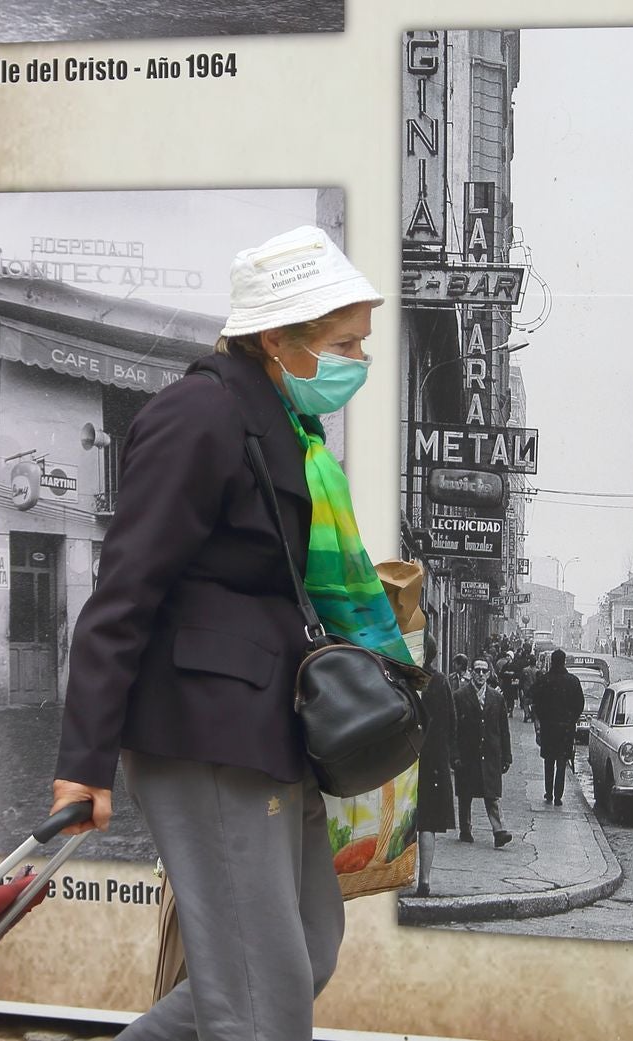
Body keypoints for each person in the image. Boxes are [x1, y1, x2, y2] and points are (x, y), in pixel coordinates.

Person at [49, 225, 394, 1041]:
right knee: (259, 1006)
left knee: (302, 954)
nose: (358, 363)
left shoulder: (281, 424)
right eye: (344, 343)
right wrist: (82, 767)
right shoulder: (200, 414)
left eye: (363, 344)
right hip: (207, 736)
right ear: (276, 337)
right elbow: (123, 590)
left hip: (268, 734)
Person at [452, 657, 513, 846]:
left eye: (483, 671)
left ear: (488, 674)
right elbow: (453, 728)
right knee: (466, 795)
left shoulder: (496, 697)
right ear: (471, 672)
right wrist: (454, 755)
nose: (480, 674)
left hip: (490, 753)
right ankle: (465, 829)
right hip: (467, 753)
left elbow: (503, 728)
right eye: (477, 670)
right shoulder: (460, 696)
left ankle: (499, 831)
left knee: (492, 794)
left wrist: (507, 755)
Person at [413, 634, 456, 897]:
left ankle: (394, 879)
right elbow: (451, 723)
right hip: (432, 762)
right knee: (427, 822)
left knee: (400, 823)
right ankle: (424, 880)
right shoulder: (440, 682)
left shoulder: (400, 676)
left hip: (403, 759)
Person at [533, 650, 584, 806]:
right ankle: (558, 796)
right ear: (564, 662)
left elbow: (535, 700)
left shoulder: (544, 680)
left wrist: (541, 721)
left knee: (548, 761)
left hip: (548, 727)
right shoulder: (573, 681)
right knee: (562, 762)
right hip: (566, 729)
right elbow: (579, 705)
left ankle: (548, 792)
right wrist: (572, 720)